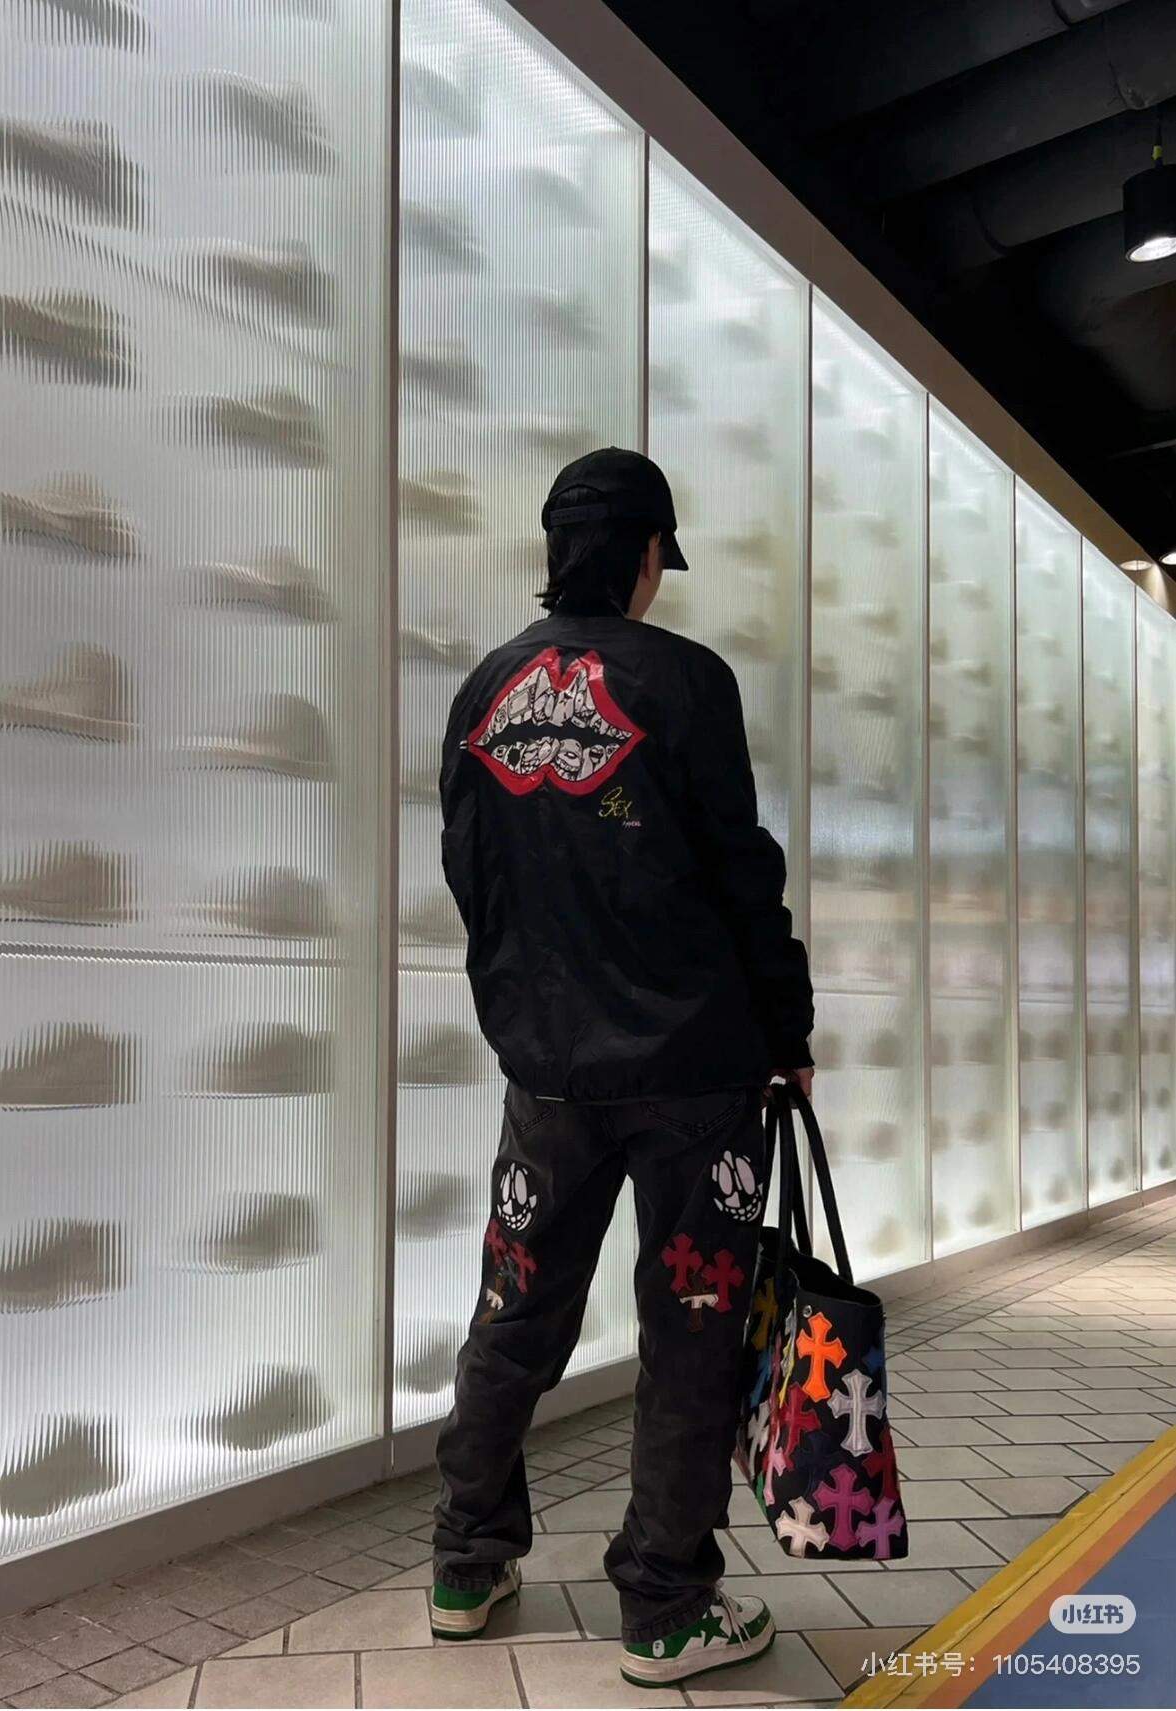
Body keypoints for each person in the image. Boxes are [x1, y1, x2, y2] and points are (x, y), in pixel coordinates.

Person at [429, 446, 815, 1687]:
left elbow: (470, 874)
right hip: (696, 1072)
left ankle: (465, 1561)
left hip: (547, 1074)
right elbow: (742, 875)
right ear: (647, 554)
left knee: (513, 1311)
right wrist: (787, 1031)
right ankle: (664, 1603)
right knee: (690, 1327)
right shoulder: (685, 679)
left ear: (555, 555)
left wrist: (520, 1014)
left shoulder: (484, 689)